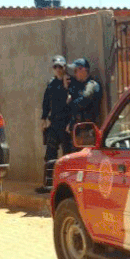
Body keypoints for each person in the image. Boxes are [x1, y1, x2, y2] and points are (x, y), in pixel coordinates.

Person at [39, 55, 71, 192]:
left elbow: (72, 102)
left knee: (68, 155)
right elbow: (46, 101)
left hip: (66, 124)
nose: (58, 69)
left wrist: (66, 87)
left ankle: (68, 186)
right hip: (54, 124)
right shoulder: (51, 83)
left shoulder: (69, 81)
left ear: (64, 67)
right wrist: (43, 118)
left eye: (60, 66)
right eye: (55, 67)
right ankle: (48, 185)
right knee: (50, 155)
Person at [66, 58, 102, 133]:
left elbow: (83, 100)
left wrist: (70, 103)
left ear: (83, 70)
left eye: (76, 71)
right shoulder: (79, 86)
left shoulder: (92, 85)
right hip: (80, 128)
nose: (75, 74)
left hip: (88, 129)